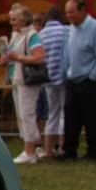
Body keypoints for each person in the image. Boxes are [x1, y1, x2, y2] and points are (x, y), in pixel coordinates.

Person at [57, 0, 96, 162]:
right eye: (67, 12)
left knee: (92, 118)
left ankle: (95, 153)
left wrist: (92, 77)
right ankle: (69, 152)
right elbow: (67, 52)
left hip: (91, 81)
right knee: (71, 117)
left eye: (72, 12)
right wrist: (66, 73)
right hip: (73, 80)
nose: (69, 16)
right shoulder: (71, 29)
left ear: (82, 10)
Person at [1, 5, 44, 164]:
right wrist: (6, 59)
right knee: (21, 114)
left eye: (14, 19)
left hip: (28, 81)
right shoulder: (15, 35)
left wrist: (17, 57)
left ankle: (30, 151)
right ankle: (30, 148)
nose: (11, 23)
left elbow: (39, 57)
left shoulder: (32, 35)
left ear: (23, 20)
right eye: (11, 19)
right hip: (16, 80)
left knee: (27, 114)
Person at [37, 8, 69, 157]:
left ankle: (48, 150)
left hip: (48, 78)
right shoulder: (66, 31)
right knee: (64, 112)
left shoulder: (41, 35)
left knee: (52, 114)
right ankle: (63, 147)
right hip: (64, 76)